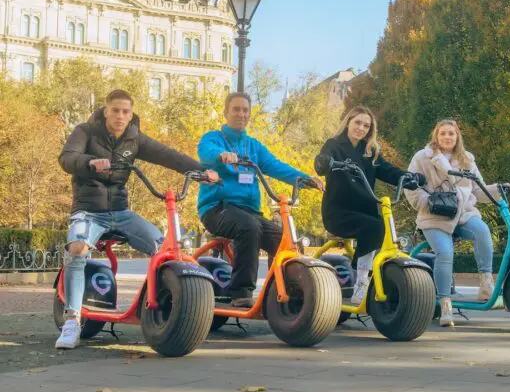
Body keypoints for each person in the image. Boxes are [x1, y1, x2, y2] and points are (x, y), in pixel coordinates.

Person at [56, 89, 219, 349]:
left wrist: (203, 171)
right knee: (77, 250)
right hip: (88, 210)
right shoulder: (85, 131)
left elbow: (168, 155)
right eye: (116, 110)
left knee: (166, 249)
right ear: (106, 110)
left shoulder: (134, 138)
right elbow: (67, 158)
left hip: (121, 213)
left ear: (131, 114)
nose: (120, 116)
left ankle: (165, 309)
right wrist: (89, 162)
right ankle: (72, 321)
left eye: (126, 112)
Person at [197, 92, 324, 308]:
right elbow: (206, 152)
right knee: (249, 227)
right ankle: (241, 292)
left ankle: (289, 290)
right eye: (236, 109)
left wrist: (304, 179)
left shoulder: (253, 146)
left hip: (249, 212)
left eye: (245, 110)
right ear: (226, 112)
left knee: (285, 238)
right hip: (217, 209)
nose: (241, 114)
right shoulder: (213, 138)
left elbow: (276, 166)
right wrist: (222, 155)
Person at [404, 119, 510, 327]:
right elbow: (410, 186)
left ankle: (485, 284)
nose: (447, 137)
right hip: (434, 215)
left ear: (457, 137)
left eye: (451, 134)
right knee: (445, 253)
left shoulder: (467, 159)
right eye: (443, 133)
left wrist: (498, 190)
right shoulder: (423, 157)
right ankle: (445, 303)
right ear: (436, 136)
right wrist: (425, 202)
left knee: (482, 231)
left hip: (462, 213)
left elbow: (477, 190)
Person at [314, 105, 425, 305]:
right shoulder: (334, 144)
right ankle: (361, 280)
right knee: (374, 227)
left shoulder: (369, 151)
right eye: (357, 122)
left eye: (366, 125)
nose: (361, 128)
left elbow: (387, 170)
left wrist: (410, 177)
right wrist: (324, 162)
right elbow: (322, 163)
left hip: (364, 212)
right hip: (338, 212)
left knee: (378, 225)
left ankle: (371, 277)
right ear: (348, 122)